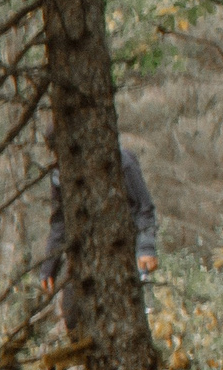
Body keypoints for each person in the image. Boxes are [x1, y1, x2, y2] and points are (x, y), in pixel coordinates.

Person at [40, 142, 158, 336]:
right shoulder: (59, 174)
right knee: (72, 317)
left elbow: (143, 208)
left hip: (123, 251)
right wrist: (49, 267)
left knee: (124, 324)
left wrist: (146, 248)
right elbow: (59, 222)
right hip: (81, 256)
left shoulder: (121, 161)